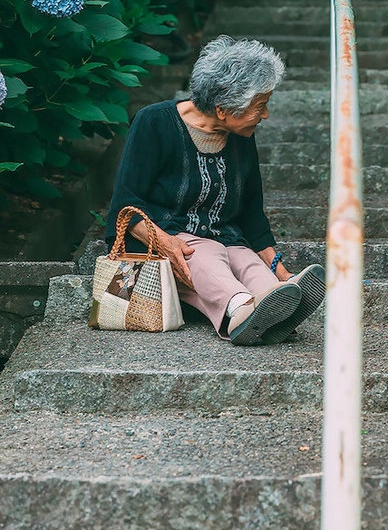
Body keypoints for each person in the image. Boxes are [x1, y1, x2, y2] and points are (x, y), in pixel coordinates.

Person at [105, 35, 325, 345]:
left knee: (245, 259)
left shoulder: (242, 136)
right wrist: (165, 242)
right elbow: (123, 206)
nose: (266, 115)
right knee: (206, 254)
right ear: (223, 110)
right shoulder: (154, 122)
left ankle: (275, 301)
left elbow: (251, 213)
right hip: (167, 242)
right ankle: (240, 311)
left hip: (225, 239)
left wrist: (281, 271)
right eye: (260, 106)